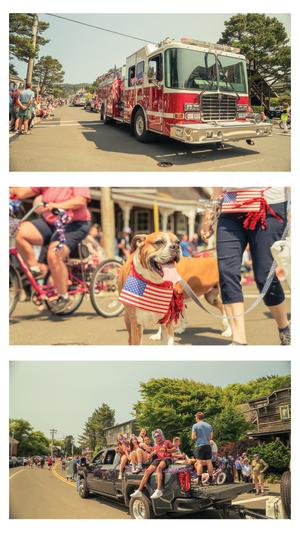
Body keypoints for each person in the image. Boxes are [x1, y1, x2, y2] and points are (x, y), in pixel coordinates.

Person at [201, 187, 291, 345]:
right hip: (230, 207)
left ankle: (284, 327)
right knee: (226, 272)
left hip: (269, 205)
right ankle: (239, 340)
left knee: (264, 276)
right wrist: (209, 215)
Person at [10, 187, 91, 312]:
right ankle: (37, 269)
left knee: (54, 254)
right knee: (20, 232)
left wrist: (57, 205)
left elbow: (81, 201)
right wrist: (11, 191)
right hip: (51, 222)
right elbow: (24, 192)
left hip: (74, 224)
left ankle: (63, 296)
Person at [130, 429, 176, 499]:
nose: (157, 437)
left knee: (159, 468)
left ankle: (159, 490)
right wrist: (150, 456)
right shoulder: (155, 445)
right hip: (158, 459)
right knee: (147, 471)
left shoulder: (167, 442)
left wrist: (166, 450)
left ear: (161, 435)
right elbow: (152, 453)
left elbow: (175, 449)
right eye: (155, 436)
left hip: (167, 458)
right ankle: (139, 491)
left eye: (158, 435)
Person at [191, 411, 214, 485]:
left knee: (199, 463)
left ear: (197, 417)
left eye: (195, 417)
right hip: (207, 446)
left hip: (199, 446)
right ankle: (211, 480)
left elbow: (193, 437)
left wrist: (198, 437)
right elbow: (211, 438)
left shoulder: (195, 425)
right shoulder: (209, 426)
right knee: (209, 462)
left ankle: (200, 481)